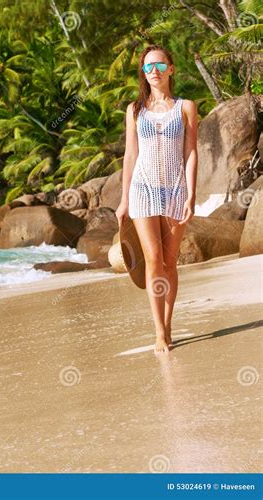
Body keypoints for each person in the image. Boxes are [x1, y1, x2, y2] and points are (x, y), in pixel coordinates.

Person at [115, 44, 198, 354]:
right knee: (153, 260)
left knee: (170, 263)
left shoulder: (186, 107)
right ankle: (159, 332)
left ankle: (169, 321)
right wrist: (124, 200)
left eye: (159, 66)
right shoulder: (135, 110)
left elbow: (191, 152)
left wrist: (191, 193)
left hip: (176, 190)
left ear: (171, 69)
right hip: (143, 192)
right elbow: (130, 155)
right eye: (148, 67)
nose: (153, 72)